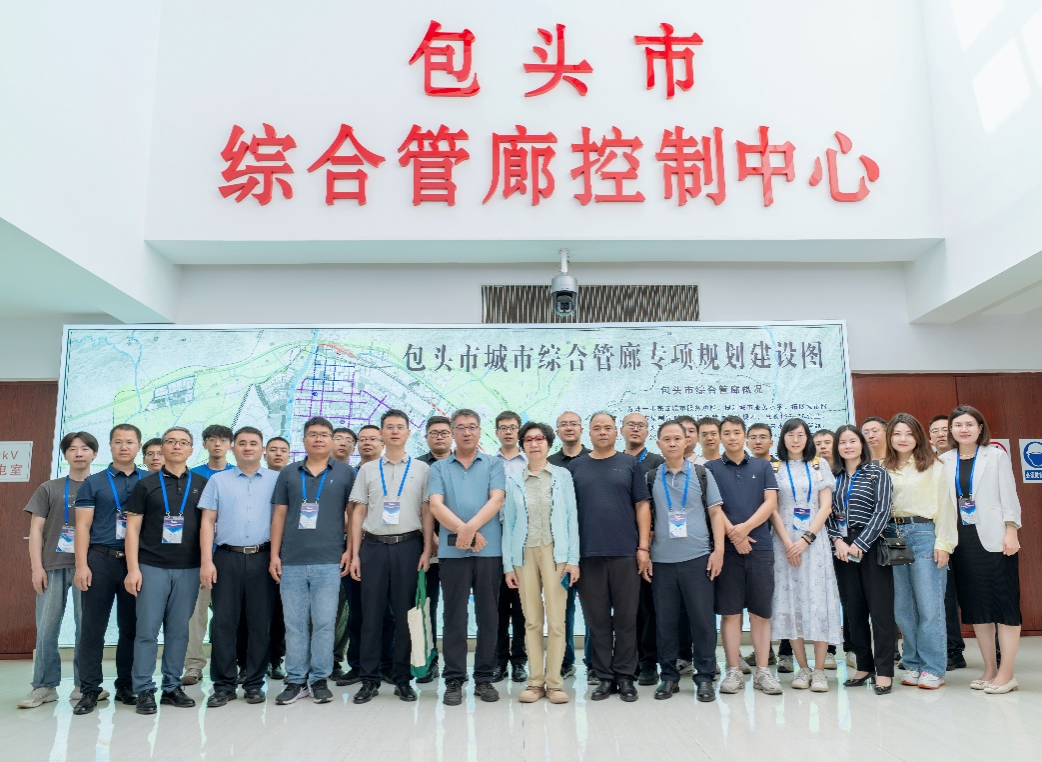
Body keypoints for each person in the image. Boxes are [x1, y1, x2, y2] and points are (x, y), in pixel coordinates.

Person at [348, 409, 433, 704]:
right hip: (372, 547)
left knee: (405, 615)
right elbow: (358, 511)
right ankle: (369, 679)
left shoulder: (422, 469)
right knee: (370, 615)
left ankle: (402, 678)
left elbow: (427, 510)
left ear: (408, 432)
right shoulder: (368, 470)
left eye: (400, 427)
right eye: (389, 427)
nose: (395, 431)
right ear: (382, 434)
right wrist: (355, 554)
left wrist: (426, 549)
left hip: (408, 546)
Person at [269, 416, 355, 705]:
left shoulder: (345, 473)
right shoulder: (289, 473)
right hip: (292, 560)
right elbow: (279, 515)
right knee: (294, 624)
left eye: (324, 434)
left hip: (329, 560)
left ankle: (319, 679)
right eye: (313, 434)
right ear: (304, 439)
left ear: (332, 440)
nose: (319, 439)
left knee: (324, 623)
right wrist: (274, 555)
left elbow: (352, 515)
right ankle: (296, 680)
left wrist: (350, 550)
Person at [124, 426, 207, 715]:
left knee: (179, 632)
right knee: (147, 631)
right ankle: (144, 689)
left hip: (189, 568)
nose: (177, 446)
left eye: (183, 442)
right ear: (163, 447)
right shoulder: (146, 485)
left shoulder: (202, 484)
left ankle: (172, 687)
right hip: (151, 567)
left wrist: (206, 563)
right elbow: (132, 530)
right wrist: (133, 569)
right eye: (171, 441)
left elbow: (208, 527)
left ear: (191, 449)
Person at [569, 412, 651, 702]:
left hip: (625, 553)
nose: (602, 432)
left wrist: (643, 548)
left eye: (607, 428)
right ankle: (604, 677)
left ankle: (626, 676)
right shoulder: (576, 467)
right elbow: (568, 512)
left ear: (616, 432)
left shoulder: (629, 464)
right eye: (597, 428)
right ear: (589, 433)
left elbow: (642, 505)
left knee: (627, 619)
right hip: (588, 555)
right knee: (598, 620)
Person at [941, 405, 1022, 694]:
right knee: (978, 607)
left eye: (969, 424)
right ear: (951, 430)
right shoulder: (944, 460)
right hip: (962, 541)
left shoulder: (996, 455)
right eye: (957, 425)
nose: (963, 429)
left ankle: (1007, 673)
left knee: (1004, 605)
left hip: (996, 539)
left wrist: (1011, 530)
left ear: (980, 428)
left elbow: (1009, 495)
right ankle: (990, 669)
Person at [428, 409, 507, 706]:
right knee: (454, 616)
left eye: (472, 427)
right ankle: (454, 679)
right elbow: (436, 505)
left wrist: (469, 529)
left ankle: (484, 678)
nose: (466, 432)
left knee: (488, 615)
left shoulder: (494, 464)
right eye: (460, 427)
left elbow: (496, 499)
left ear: (479, 431)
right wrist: (465, 532)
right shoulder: (439, 468)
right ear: (452, 432)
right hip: (452, 552)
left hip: (489, 551)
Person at [198, 426, 279, 707]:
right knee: (223, 623)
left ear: (262, 449)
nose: (247, 447)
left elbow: (281, 520)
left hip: (263, 557)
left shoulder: (276, 480)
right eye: (242, 443)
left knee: (259, 623)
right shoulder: (218, 480)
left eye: (253, 443)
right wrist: (206, 561)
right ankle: (223, 685)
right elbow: (207, 521)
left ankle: (255, 683)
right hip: (226, 557)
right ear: (233, 448)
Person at [644, 420, 724, 703]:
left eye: (677, 438)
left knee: (702, 622)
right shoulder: (651, 477)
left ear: (687, 441)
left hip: (698, 558)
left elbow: (716, 513)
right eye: (667, 439)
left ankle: (705, 677)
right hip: (662, 561)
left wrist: (718, 551)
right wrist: (644, 552)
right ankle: (668, 677)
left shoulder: (702, 473)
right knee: (666, 623)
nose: (673, 443)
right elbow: (646, 518)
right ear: (659, 444)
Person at [502, 421, 581, 704]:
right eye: (529, 440)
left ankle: (555, 684)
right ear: (522, 445)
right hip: (524, 555)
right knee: (532, 621)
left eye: (539, 439)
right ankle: (535, 682)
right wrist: (508, 566)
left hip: (556, 554)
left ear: (548, 444)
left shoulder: (562, 476)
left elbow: (572, 518)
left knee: (557, 621)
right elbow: (509, 524)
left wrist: (573, 560)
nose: (534, 444)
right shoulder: (514, 480)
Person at [19, 432, 98, 709]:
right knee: (46, 628)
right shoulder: (49, 488)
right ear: (65, 454)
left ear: (94, 454)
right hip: (52, 566)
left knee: (85, 629)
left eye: (85, 448)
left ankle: (83, 686)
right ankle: (44, 686)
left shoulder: (100, 487)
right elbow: (36, 530)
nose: (79, 453)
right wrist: (36, 567)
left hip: (88, 568)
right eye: (73, 449)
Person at [706, 416, 782, 696]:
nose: (732, 437)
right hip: (727, 551)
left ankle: (763, 671)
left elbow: (770, 502)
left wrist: (745, 529)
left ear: (745, 436)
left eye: (737, 432)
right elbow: (714, 507)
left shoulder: (762, 466)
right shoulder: (710, 468)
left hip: (760, 547)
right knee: (730, 613)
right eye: (726, 433)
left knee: (760, 613)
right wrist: (734, 535)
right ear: (720, 437)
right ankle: (734, 671)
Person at [72, 424, 144, 715]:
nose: (124, 447)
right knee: (92, 629)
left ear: (138, 446)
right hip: (100, 560)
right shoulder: (94, 482)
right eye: (118, 442)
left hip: (135, 564)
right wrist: (81, 565)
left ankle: (126, 685)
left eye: (129, 442)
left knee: (131, 628)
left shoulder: (150, 481)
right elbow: (82, 526)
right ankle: (89, 690)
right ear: (110, 446)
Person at [883, 413, 957, 690]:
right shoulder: (884, 467)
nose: (903, 439)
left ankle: (933, 668)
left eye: (909, 434)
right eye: (897, 433)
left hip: (925, 534)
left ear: (918, 437)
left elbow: (947, 506)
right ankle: (912, 663)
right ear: (890, 437)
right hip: (893, 536)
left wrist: (944, 544)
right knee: (902, 607)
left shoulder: (934, 465)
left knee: (929, 605)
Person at [767, 418, 841, 692]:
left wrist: (806, 539)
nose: (795, 440)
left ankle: (819, 670)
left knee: (817, 600)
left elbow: (825, 506)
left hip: (814, 543)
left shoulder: (819, 465)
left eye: (800, 435)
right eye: (790, 435)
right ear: (783, 439)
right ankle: (802, 667)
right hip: (783, 542)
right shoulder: (774, 468)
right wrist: (789, 543)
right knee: (790, 600)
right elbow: (772, 508)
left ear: (807, 438)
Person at [827, 424, 895, 695]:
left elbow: (883, 511)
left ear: (861, 444)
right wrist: (838, 541)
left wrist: (861, 543)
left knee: (880, 612)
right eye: (842, 442)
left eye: (852, 441)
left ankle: (885, 670)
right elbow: (827, 512)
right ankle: (864, 666)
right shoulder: (832, 476)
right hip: (842, 548)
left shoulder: (878, 473)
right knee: (853, 611)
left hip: (871, 545)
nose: (848, 446)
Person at [338, 423, 394, 685]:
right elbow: (344, 511)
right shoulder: (348, 474)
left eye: (373, 439)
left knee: (387, 611)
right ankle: (358, 664)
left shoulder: (392, 472)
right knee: (358, 611)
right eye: (362, 440)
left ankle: (387, 663)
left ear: (383, 443)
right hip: (354, 548)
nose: (367, 443)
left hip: (385, 547)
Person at [183, 424, 236, 686]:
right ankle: (193, 665)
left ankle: (229, 665)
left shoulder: (238, 475)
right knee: (195, 615)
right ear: (204, 444)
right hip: (197, 556)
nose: (217, 444)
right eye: (212, 439)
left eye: (223, 440)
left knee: (229, 615)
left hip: (230, 555)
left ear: (230, 445)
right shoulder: (192, 476)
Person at [622, 412, 665, 686]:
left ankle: (649, 662)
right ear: (621, 430)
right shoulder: (617, 461)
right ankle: (630, 660)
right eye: (631, 425)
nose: (635, 429)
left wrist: (648, 538)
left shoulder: (657, 462)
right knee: (628, 608)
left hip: (651, 545)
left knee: (649, 607)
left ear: (648, 431)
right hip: (623, 545)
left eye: (641, 426)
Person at [547, 411, 588, 680]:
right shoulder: (548, 463)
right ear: (557, 431)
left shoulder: (595, 458)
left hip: (592, 544)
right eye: (564, 424)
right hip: (559, 548)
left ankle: (595, 662)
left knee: (594, 608)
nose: (569, 428)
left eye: (574, 423)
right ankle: (564, 660)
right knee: (562, 608)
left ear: (581, 429)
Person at [414, 415, 453, 684]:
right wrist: (431, 539)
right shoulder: (417, 466)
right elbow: (413, 506)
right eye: (434, 433)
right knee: (426, 606)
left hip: (458, 548)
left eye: (444, 432)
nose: (439, 437)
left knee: (455, 608)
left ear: (452, 436)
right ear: (426, 437)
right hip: (425, 550)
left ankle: (454, 663)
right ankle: (429, 661)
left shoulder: (461, 463)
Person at [493, 411, 528, 684]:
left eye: (512, 427)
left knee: (522, 605)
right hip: (494, 538)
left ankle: (519, 661)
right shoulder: (488, 463)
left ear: (519, 432)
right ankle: (499, 661)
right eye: (503, 427)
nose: (508, 432)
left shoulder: (530, 462)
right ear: (496, 432)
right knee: (497, 606)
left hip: (523, 540)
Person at [929, 414, 966, 670]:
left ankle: (996, 648)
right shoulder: (928, 462)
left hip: (970, 533)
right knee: (946, 595)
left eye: (945, 429)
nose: (941, 434)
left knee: (978, 591)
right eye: (935, 431)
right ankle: (953, 649)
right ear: (929, 437)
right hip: (941, 535)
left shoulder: (967, 459)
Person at [262, 436, 290, 679]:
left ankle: (275, 659)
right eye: (273, 450)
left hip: (287, 551)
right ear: (265, 454)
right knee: (256, 609)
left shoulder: (293, 480)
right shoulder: (258, 479)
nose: (278, 454)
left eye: (283, 450)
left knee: (281, 610)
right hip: (259, 549)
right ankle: (250, 661)